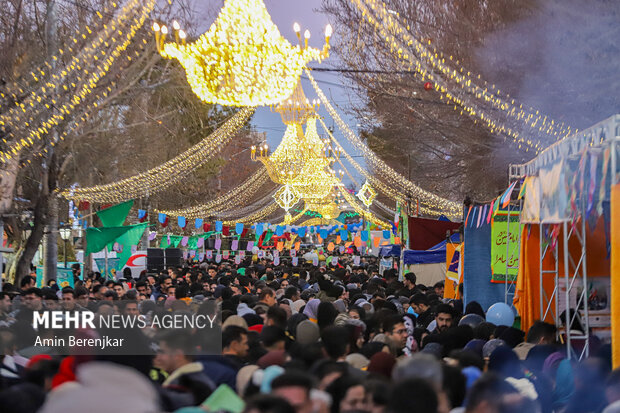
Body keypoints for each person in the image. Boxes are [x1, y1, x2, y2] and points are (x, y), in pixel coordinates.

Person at [155, 330, 216, 410]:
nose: (157, 357)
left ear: (178, 355)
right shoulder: (204, 380)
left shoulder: (179, 387)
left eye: (162, 352)